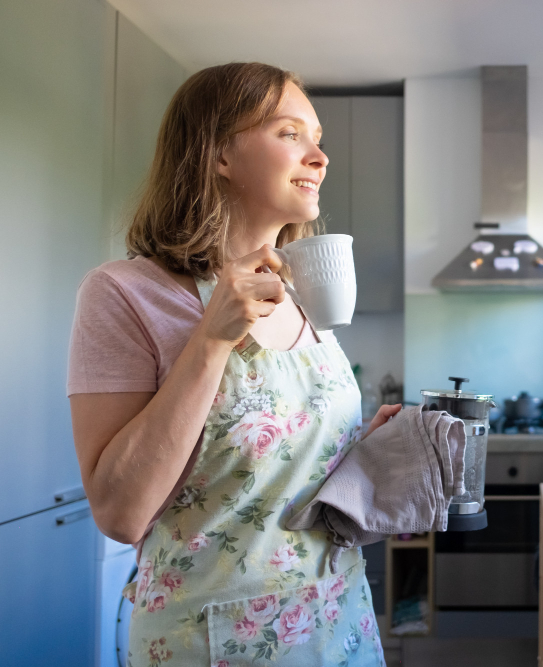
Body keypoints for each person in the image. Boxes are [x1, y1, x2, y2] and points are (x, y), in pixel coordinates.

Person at [68, 62, 396, 665]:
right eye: (290, 133)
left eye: (318, 138)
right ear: (219, 153)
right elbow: (118, 511)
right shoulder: (123, 294)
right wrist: (211, 340)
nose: (320, 156)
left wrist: (368, 455)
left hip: (339, 625)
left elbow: (288, 487)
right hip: (209, 641)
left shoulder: (304, 295)